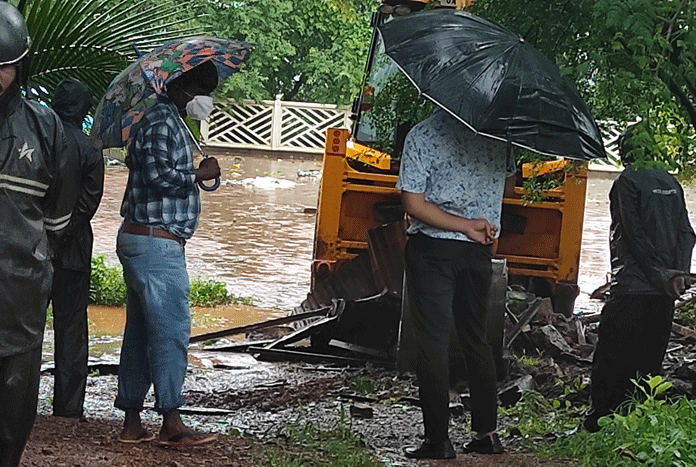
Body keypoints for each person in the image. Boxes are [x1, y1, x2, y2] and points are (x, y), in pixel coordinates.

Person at [114, 59, 221, 446]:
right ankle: (172, 423)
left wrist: (200, 174)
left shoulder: (168, 121)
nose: (207, 100)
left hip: (146, 240)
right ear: (185, 88)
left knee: (141, 332)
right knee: (171, 331)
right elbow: (160, 178)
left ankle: (132, 422)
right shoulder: (161, 122)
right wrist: (198, 174)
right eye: (205, 92)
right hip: (157, 243)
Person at [398, 108, 511, 459]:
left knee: (433, 342)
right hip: (478, 252)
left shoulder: (423, 134)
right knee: (476, 338)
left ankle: (438, 440)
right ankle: (487, 434)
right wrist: (477, 220)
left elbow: (413, 204)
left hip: (432, 250)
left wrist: (461, 224)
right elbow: (506, 185)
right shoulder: (500, 138)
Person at [584, 122, 696, 432]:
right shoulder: (671, 183)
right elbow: (687, 233)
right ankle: (638, 417)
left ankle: (600, 419)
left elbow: (633, 236)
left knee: (611, 354)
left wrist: (662, 275)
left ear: (626, 152)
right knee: (649, 358)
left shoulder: (626, 181)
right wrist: (678, 275)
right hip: (664, 293)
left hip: (633, 286)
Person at [0, 2, 75, 465]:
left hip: (21, 294)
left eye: (3, 66)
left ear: (20, 64)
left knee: (14, 400)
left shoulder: (44, 126)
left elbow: (58, 217)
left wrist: (32, 262)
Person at [48, 78, 105, 420]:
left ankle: (14, 401)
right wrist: (64, 231)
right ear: (84, 109)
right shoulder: (90, 149)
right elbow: (89, 202)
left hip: (33, 249)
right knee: (71, 330)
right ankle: (68, 408)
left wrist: (46, 232)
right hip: (73, 252)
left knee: (21, 327)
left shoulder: (40, 142)